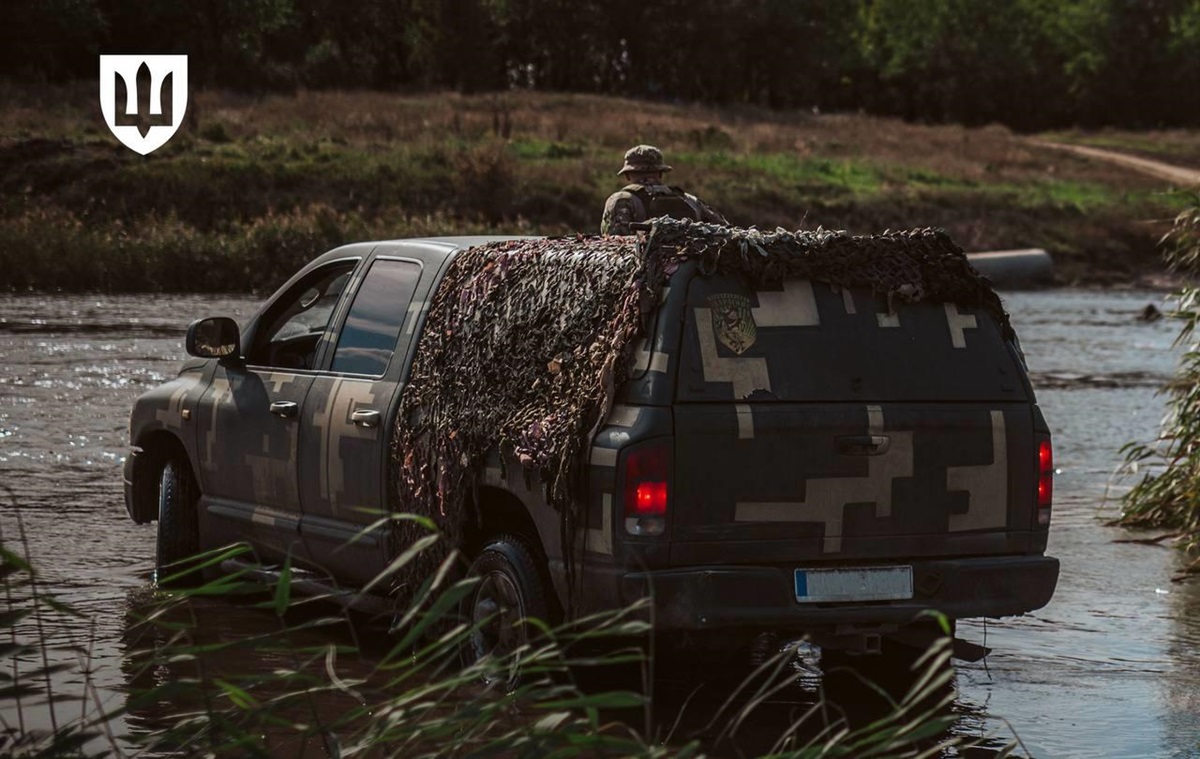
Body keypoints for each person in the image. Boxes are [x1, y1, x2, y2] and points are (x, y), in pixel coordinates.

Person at [600, 145, 727, 235]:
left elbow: (613, 241)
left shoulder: (621, 200)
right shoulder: (690, 200)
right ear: (661, 173)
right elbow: (725, 229)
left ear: (627, 175)